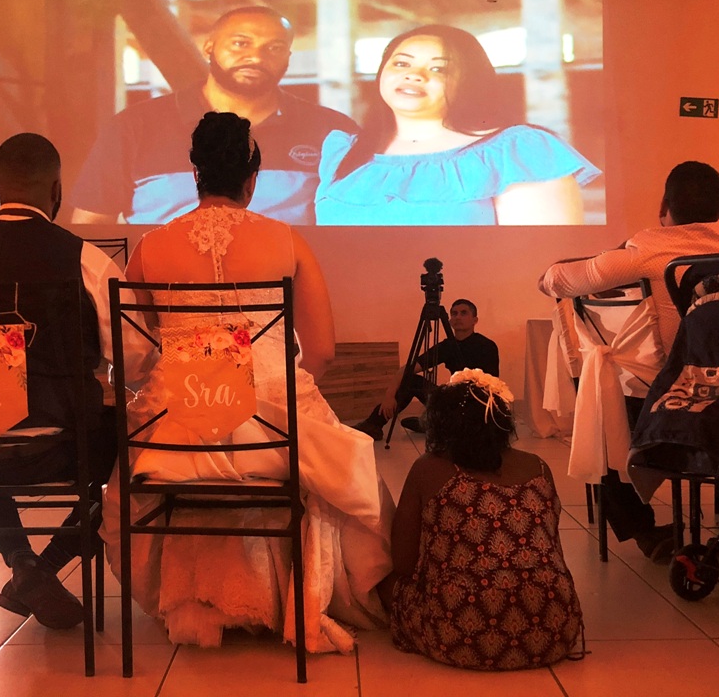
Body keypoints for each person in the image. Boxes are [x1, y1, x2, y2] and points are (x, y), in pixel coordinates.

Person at [99, 111, 393, 653]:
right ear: (252, 177)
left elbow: (135, 356)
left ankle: (202, 597)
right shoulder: (286, 241)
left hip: (175, 435)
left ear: (195, 173)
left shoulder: (150, 246)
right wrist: (282, 388)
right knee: (325, 452)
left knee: (154, 436)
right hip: (272, 432)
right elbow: (323, 351)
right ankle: (289, 593)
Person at [0, 133, 148, 629]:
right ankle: (47, 564)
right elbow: (135, 358)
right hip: (59, 448)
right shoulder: (84, 260)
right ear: (57, 190)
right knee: (138, 446)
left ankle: (22, 560)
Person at [538, 160, 719, 559]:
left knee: (602, 413)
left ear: (665, 205)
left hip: (664, 403)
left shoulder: (647, 249)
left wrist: (611, 254)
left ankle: (643, 532)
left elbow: (553, 280)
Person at [69, 6, 358, 226]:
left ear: (288, 58)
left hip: (288, 285)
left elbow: (355, 225)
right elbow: (91, 228)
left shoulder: (332, 130)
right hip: (162, 286)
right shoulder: (135, 126)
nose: (256, 57)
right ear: (209, 46)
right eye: (240, 43)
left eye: (274, 48)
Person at [385, 369, 584, 670]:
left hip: (458, 633)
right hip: (554, 627)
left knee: (385, 584)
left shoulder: (427, 468)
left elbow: (403, 563)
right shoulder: (538, 467)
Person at [314, 24, 601, 226]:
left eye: (439, 68)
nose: (415, 75)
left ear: (470, 81)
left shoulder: (519, 150)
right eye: (401, 64)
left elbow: (543, 264)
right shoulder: (342, 150)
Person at [353, 298, 499, 440]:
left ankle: (434, 424)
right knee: (412, 380)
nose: (458, 317)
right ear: (449, 320)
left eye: (464, 313)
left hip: (476, 404)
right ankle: (373, 425)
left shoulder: (486, 346)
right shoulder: (446, 346)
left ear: (475, 320)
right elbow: (407, 369)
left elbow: (492, 386)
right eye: (454, 313)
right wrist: (389, 396)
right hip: (452, 399)